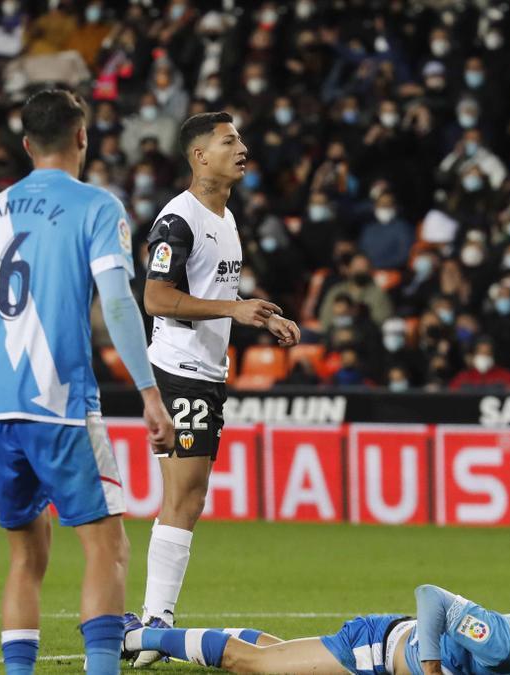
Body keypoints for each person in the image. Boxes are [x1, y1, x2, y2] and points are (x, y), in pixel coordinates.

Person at [0, 89, 174, 675]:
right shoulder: (96, 207)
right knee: (107, 546)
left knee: (25, 557)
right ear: (82, 136)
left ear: (26, 145)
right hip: (60, 405)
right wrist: (149, 391)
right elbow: (120, 305)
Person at [136, 111, 301, 667]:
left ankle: (154, 619)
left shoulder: (225, 218)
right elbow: (156, 298)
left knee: (190, 495)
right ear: (199, 155)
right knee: (185, 494)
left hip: (206, 370)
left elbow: (210, 290)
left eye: (241, 138)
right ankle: (155, 623)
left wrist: (254, 314)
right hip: (179, 368)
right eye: (229, 140)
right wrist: (234, 308)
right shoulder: (177, 220)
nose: (242, 147)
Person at [121, 586, 510, 675]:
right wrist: (430, 669)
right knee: (251, 665)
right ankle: (135, 635)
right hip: (375, 652)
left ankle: (183, 638)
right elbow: (431, 596)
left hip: (385, 650)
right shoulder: (502, 639)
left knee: (277, 654)